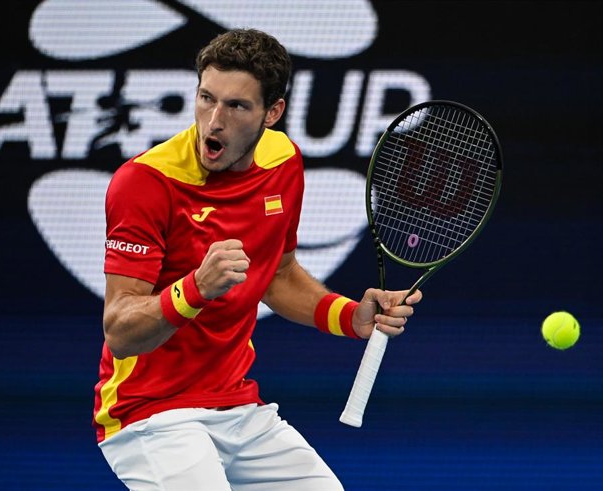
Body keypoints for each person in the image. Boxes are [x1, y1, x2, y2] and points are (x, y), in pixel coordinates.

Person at [93, 28, 422, 491]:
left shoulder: (283, 161)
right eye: (206, 98)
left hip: (238, 408)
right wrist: (195, 289)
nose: (214, 121)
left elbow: (279, 274)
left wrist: (351, 317)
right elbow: (120, 332)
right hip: (150, 412)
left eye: (237, 106)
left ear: (273, 112)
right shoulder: (145, 183)